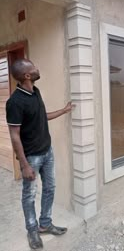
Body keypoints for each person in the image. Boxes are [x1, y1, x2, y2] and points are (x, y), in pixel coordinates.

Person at [6, 58, 74, 249]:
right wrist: (24, 164)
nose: (37, 68)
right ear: (27, 75)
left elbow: (41, 117)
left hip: (47, 151)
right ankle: (32, 230)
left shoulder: (35, 92)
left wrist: (64, 110)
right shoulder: (15, 102)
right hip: (32, 157)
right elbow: (14, 135)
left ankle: (45, 223)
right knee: (29, 195)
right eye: (33, 67)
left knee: (50, 188)